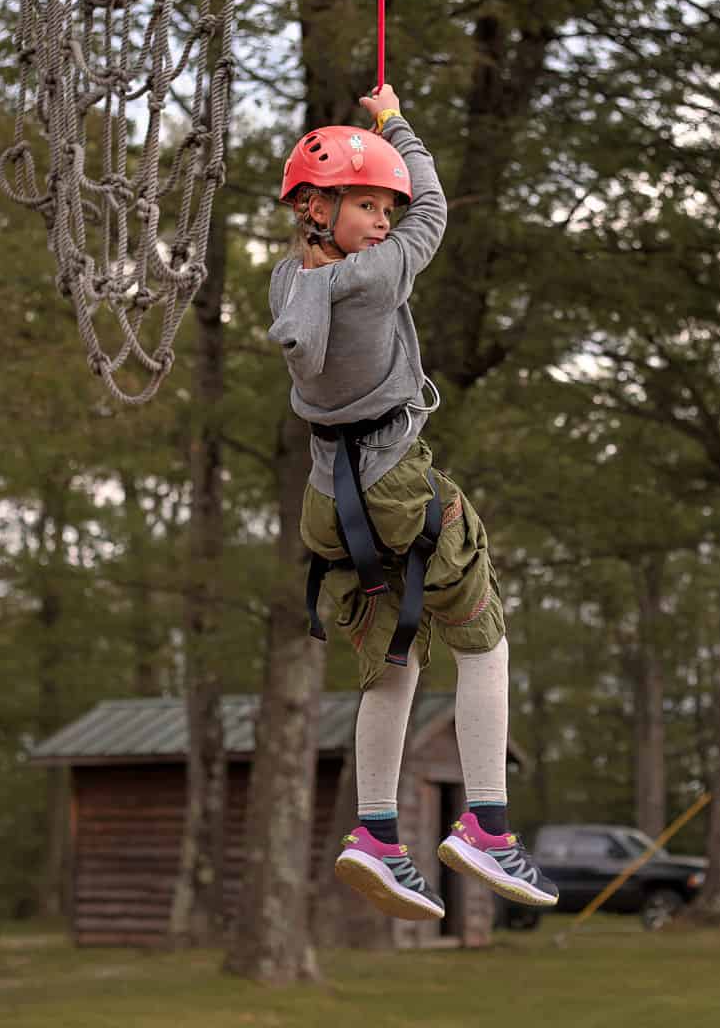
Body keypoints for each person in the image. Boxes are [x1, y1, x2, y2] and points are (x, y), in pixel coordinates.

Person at [267, 85, 558, 922]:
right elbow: (434, 203)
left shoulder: (289, 282)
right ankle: (488, 824)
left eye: (385, 207)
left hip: (328, 499)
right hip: (396, 480)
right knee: (485, 637)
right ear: (318, 207)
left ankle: (376, 835)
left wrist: (374, 158)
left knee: (392, 662)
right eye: (367, 204)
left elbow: (313, 316)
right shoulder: (380, 276)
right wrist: (395, 123)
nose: (388, 220)